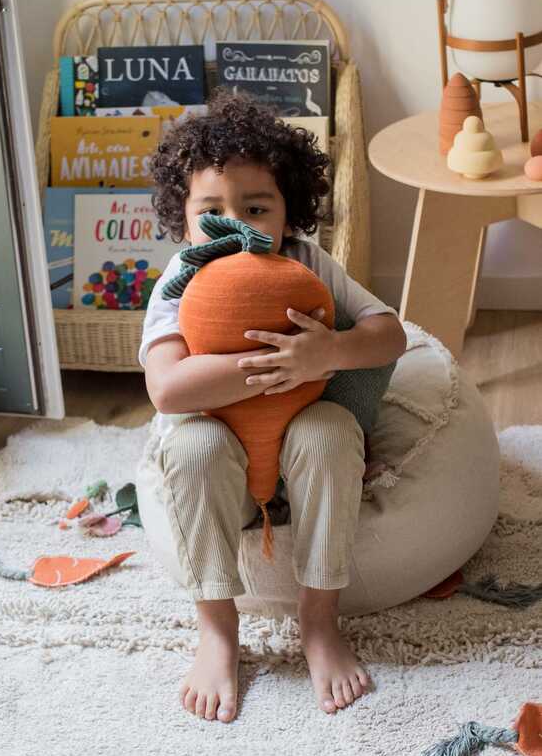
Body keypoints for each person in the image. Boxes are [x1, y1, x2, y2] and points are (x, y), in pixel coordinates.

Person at [139, 90, 407, 723]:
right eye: (212, 210)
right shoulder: (182, 279)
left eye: (256, 207)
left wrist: (327, 353)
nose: (236, 223)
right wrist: (261, 370)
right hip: (222, 462)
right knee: (191, 442)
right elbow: (168, 388)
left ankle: (318, 622)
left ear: (290, 213)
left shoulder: (307, 263)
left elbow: (391, 334)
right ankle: (218, 630)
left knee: (333, 429)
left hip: (300, 455)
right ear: (183, 221)